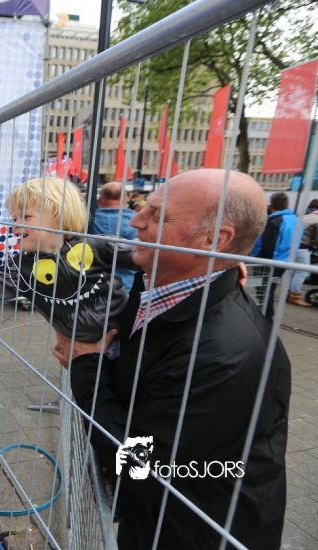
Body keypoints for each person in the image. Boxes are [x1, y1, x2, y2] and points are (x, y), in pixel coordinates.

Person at [53, 169, 290, 549]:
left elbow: (138, 462)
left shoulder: (221, 353)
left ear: (214, 240)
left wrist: (87, 365)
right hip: (156, 517)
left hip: (191, 534)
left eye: (158, 215)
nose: (135, 220)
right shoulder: (160, 282)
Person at [0, 177, 133, 348]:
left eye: (25, 217)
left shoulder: (96, 246)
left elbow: (143, 255)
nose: (16, 225)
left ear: (59, 217)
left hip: (126, 337)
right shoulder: (22, 267)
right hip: (79, 346)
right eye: (14, 219)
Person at [251, 192, 307, 311]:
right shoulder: (296, 220)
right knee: (269, 289)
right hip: (285, 261)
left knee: (262, 290)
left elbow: (268, 246)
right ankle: (265, 313)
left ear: (271, 205)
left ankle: (267, 315)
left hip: (269, 262)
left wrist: (257, 258)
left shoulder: (274, 221)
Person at [89, 181, 138, 293]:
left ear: (100, 200)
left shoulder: (88, 220)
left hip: (92, 284)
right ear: (125, 199)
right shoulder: (137, 220)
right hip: (127, 286)